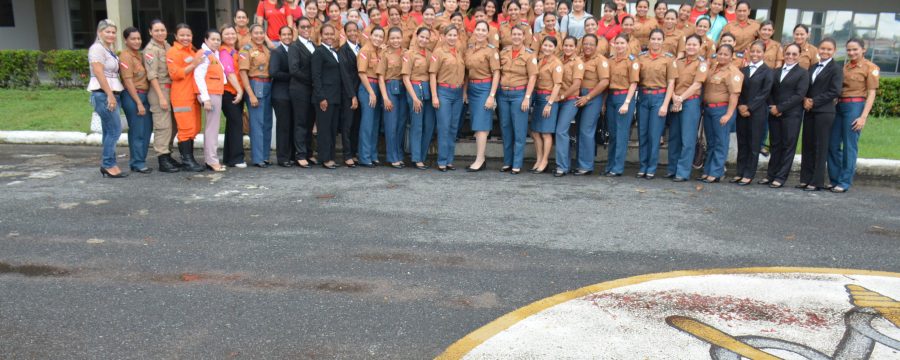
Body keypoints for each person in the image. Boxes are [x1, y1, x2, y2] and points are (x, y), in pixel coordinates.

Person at [827, 38, 878, 193]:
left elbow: (871, 93)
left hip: (855, 106)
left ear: (864, 49)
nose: (851, 53)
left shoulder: (870, 67)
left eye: (855, 49)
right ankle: (835, 179)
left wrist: (863, 117)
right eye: (849, 50)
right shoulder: (845, 67)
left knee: (850, 146)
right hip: (839, 105)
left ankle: (844, 181)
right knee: (832, 144)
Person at [759, 43, 809, 188]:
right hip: (774, 113)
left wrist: (780, 108)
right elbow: (768, 91)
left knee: (788, 145)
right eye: (788, 53)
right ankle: (771, 174)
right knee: (775, 145)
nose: (790, 56)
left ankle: (780, 177)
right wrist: (773, 107)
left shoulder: (803, 73)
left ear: (799, 56)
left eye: (794, 54)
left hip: (791, 115)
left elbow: (799, 95)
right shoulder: (775, 71)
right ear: (784, 54)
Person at [797, 38, 842, 191]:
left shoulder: (836, 68)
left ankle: (817, 181)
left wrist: (814, 101)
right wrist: (805, 99)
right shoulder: (813, 67)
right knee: (807, 144)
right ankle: (805, 178)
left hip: (824, 111)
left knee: (820, 146)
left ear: (834, 51)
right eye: (822, 48)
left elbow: (835, 91)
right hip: (810, 110)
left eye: (829, 49)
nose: (825, 51)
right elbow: (808, 87)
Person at [697, 44, 742, 183]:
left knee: (720, 142)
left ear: (731, 56)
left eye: (726, 54)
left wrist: (728, 115)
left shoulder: (733, 72)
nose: (722, 56)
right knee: (711, 142)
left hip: (722, 110)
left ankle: (716, 172)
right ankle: (708, 170)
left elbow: (734, 95)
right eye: (720, 53)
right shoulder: (713, 69)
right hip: (709, 109)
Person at [88, 19, 127, 178]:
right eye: (107, 32)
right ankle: (108, 164)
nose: (111, 35)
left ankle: (109, 162)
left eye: (113, 32)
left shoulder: (108, 49)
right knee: (115, 130)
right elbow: (99, 73)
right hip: (104, 94)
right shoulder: (97, 49)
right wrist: (110, 95)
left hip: (112, 93)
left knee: (108, 131)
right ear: (99, 33)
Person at [636, 29, 676, 179]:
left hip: (659, 97)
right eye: (653, 38)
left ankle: (651, 167)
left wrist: (666, 104)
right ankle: (643, 166)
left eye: (659, 39)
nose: (656, 42)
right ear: (649, 40)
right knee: (642, 133)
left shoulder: (668, 59)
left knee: (654, 134)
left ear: (663, 41)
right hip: (643, 97)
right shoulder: (641, 58)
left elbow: (671, 82)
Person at [498, 24, 538, 174]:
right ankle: (507, 161)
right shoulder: (504, 52)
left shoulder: (529, 54)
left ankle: (517, 163)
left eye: (519, 34)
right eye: (514, 34)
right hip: (503, 94)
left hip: (519, 94)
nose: (516, 37)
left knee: (519, 130)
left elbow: (533, 76)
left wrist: (527, 97)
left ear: (523, 36)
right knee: (506, 128)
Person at [666, 34, 707, 181]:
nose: (691, 47)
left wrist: (680, 99)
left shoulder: (702, 64)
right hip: (676, 99)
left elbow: (697, 84)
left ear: (700, 46)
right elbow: (671, 82)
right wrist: (674, 99)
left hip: (690, 102)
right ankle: (672, 169)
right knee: (674, 137)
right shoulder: (678, 62)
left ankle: (682, 172)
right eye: (689, 44)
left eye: (694, 44)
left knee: (687, 138)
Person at [167, 23, 206, 172]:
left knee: (195, 127)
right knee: (186, 129)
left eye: (188, 35)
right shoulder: (173, 52)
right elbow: (175, 74)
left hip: (193, 95)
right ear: (176, 36)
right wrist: (195, 63)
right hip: (182, 96)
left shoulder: (192, 50)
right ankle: (187, 161)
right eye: (182, 35)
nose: (185, 38)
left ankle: (190, 159)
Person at [733, 40, 772, 185]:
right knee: (742, 143)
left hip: (757, 112)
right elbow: (738, 90)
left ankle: (749, 173)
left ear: (763, 53)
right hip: (742, 111)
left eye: (758, 51)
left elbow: (765, 93)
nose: (755, 54)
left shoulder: (768, 71)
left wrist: (749, 107)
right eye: (753, 51)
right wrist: (741, 106)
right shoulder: (743, 70)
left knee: (753, 143)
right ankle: (740, 171)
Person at [144, 20, 181, 172]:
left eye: (162, 30)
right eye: (156, 30)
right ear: (150, 32)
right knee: (163, 126)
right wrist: (161, 97)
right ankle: (162, 158)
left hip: (172, 89)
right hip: (159, 90)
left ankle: (169, 153)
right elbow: (152, 76)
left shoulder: (167, 46)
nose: (160, 33)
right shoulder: (150, 50)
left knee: (173, 126)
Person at [465, 21, 501, 171]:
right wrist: (465, 91)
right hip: (472, 88)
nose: (480, 32)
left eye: (483, 30)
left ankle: (480, 159)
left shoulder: (491, 50)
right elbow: (467, 72)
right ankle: (481, 159)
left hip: (485, 88)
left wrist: (492, 95)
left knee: (481, 125)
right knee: (477, 123)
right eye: (477, 29)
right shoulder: (470, 49)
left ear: (487, 33)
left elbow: (497, 73)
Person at [429, 25, 466, 172]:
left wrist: (464, 92)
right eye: (449, 35)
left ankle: (449, 160)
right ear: (443, 36)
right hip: (443, 92)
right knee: (444, 127)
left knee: (453, 127)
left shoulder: (459, 51)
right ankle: (442, 161)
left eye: (454, 35)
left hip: (457, 93)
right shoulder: (438, 52)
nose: (452, 38)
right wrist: (434, 96)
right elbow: (432, 74)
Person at [572, 34, 609, 175]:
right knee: (579, 130)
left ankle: (586, 166)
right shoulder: (578, 59)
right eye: (585, 43)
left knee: (586, 130)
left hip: (592, 97)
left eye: (591, 44)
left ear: (596, 45)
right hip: (578, 96)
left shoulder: (600, 60)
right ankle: (580, 163)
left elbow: (604, 82)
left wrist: (587, 97)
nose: (588, 46)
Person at [239, 24, 274, 168]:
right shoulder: (246, 49)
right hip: (255, 84)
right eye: (256, 33)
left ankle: (265, 156)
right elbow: (243, 72)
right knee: (257, 123)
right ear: (250, 34)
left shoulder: (265, 49)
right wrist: (251, 94)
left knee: (267, 122)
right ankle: (258, 158)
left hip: (268, 84)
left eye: (262, 33)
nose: (259, 35)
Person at [311, 24, 345, 169]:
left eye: (332, 34)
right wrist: (321, 98)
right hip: (324, 98)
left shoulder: (334, 52)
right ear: (321, 36)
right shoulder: (318, 52)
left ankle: (330, 156)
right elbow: (316, 76)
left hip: (335, 97)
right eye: (326, 34)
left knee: (332, 129)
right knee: (324, 129)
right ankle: (325, 158)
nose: (329, 36)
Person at [119, 27, 153, 174]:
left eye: (139, 38)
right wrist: (138, 103)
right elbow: (128, 81)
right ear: (126, 40)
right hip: (133, 97)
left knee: (146, 129)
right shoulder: (125, 56)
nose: (137, 41)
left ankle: (139, 160)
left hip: (144, 95)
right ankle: (137, 162)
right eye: (133, 38)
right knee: (137, 131)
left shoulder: (139, 55)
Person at [605, 34, 639, 177]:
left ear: (627, 44)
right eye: (617, 43)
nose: (619, 45)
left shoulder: (632, 61)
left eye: (622, 43)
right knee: (613, 134)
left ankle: (617, 167)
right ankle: (610, 165)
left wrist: (627, 102)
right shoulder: (610, 60)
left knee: (621, 134)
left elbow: (634, 83)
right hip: (611, 97)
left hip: (624, 97)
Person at [193, 29, 227, 172]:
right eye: (213, 39)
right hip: (210, 94)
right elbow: (198, 76)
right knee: (212, 128)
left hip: (215, 93)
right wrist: (206, 98)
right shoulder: (205, 54)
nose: (216, 42)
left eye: (218, 39)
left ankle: (211, 159)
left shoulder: (213, 54)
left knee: (212, 127)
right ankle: (212, 160)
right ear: (206, 40)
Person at [403, 28, 436, 170]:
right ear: (416, 36)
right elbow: (405, 77)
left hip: (427, 89)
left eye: (426, 38)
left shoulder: (430, 54)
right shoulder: (409, 54)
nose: (424, 40)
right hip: (415, 88)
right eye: (421, 37)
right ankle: (416, 158)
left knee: (429, 125)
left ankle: (422, 155)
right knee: (417, 125)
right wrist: (414, 98)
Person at [289, 17, 319, 168]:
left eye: (308, 26)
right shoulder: (295, 46)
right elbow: (294, 70)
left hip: (312, 91)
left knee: (309, 122)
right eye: (303, 27)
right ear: (297, 28)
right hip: (300, 90)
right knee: (300, 122)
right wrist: (313, 80)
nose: (306, 29)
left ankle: (308, 152)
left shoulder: (314, 45)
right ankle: (300, 154)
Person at [530, 36, 563, 174]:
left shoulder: (557, 63)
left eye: (550, 46)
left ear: (555, 48)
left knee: (546, 132)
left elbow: (557, 84)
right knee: (535, 132)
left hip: (548, 99)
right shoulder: (541, 60)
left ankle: (545, 161)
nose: (547, 48)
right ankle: (538, 159)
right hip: (538, 97)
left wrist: (550, 103)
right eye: (545, 45)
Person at [552, 36, 583, 177]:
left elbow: (576, 85)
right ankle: (565, 164)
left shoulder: (578, 62)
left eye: (571, 46)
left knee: (561, 131)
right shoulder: (559, 59)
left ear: (576, 47)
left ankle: (562, 166)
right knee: (561, 132)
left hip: (570, 100)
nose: (568, 48)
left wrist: (562, 97)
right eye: (566, 45)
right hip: (559, 100)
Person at [378, 27, 408, 168]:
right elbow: (380, 77)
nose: (396, 41)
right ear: (388, 40)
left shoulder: (407, 53)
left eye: (398, 38)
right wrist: (385, 97)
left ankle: (399, 154)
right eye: (393, 38)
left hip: (404, 89)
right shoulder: (385, 54)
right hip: (390, 88)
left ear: (402, 38)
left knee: (401, 124)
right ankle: (391, 156)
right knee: (391, 124)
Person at [357, 27, 386, 167]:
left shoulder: (380, 51)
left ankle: (373, 154)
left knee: (375, 124)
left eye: (381, 36)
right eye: (376, 35)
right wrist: (371, 92)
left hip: (378, 87)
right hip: (368, 87)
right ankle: (364, 156)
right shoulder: (365, 50)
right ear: (370, 35)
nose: (378, 38)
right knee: (367, 124)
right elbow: (362, 73)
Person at [219, 24, 247, 168]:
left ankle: (229, 157)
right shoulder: (224, 52)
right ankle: (236, 158)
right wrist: (240, 91)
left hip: (234, 92)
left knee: (232, 124)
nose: (230, 36)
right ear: (222, 37)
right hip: (230, 93)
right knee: (236, 124)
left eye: (232, 33)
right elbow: (229, 73)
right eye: (226, 34)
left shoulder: (233, 51)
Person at [269, 26, 296, 167]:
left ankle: (291, 155)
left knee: (291, 125)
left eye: (289, 34)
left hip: (291, 94)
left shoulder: (293, 50)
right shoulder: (277, 52)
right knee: (283, 126)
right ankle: (283, 157)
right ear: (279, 36)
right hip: (280, 94)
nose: (286, 37)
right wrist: (293, 76)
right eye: (284, 34)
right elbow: (274, 72)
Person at [338, 22, 362, 167]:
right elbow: (345, 75)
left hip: (360, 91)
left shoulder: (360, 48)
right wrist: (352, 95)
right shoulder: (343, 50)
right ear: (345, 33)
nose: (353, 33)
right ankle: (347, 155)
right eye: (350, 31)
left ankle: (353, 153)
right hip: (349, 93)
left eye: (355, 30)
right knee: (347, 125)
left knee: (356, 124)